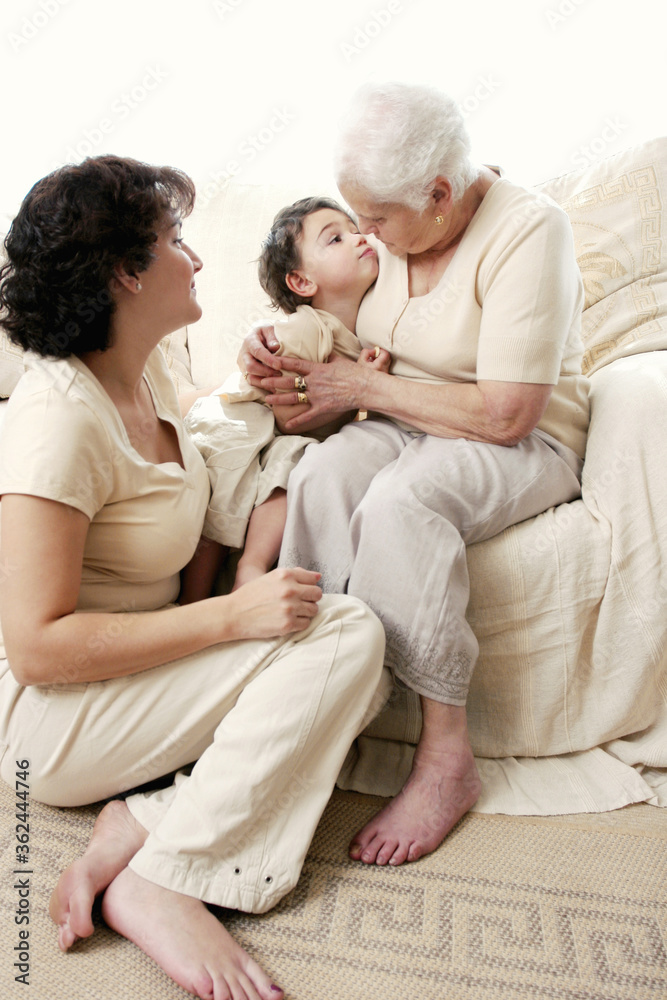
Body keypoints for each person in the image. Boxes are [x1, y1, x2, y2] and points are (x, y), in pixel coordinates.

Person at [0, 155, 389, 1000]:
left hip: (140, 676)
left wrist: (290, 399)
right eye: (176, 240)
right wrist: (231, 618)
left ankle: (140, 820)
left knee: (343, 633)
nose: (197, 257)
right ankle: (165, 878)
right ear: (123, 273)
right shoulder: (57, 421)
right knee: (339, 635)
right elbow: (34, 648)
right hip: (54, 721)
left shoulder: (152, 378)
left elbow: (224, 455)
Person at [239, 81, 590, 869]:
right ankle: (307, 696)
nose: (363, 236)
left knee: (402, 501)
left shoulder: (527, 230)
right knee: (325, 474)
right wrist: (268, 358)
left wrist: (361, 389)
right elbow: (323, 324)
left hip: (519, 443)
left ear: (439, 193)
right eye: (353, 219)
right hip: (404, 422)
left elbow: (507, 415)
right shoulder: (395, 238)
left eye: (374, 219)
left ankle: (444, 757)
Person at [182, 195, 389, 599]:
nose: (358, 238)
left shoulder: (359, 332)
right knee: (224, 490)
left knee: (289, 467)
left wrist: (363, 385)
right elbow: (286, 415)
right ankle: (194, 597)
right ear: (302, 282)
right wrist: (357, 388)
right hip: (239, 421)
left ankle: (247, 569)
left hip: (283, 438)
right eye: (335, 239)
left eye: (355, 230)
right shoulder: (308, 330)